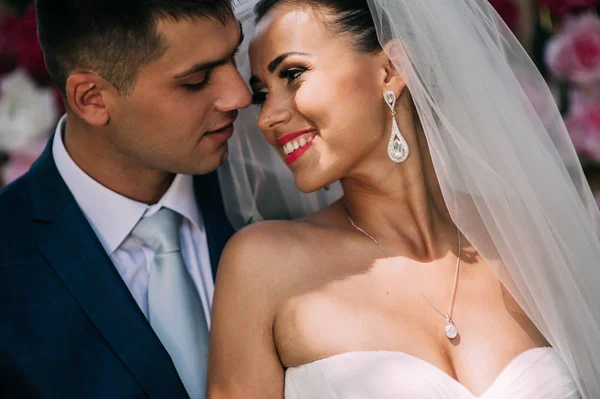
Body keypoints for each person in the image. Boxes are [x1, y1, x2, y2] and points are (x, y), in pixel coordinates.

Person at [208, 0, 600, 398]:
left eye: (292, 74)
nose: (266, 117)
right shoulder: (260, 266)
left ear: (391, 69)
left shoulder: (530, 235)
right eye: (262, 95)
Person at [0, 0, 252, 398]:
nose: (239, 95)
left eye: (234, 55)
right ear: (91, 99)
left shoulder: (270, 187)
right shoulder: (9, 262)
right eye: (197, 79)